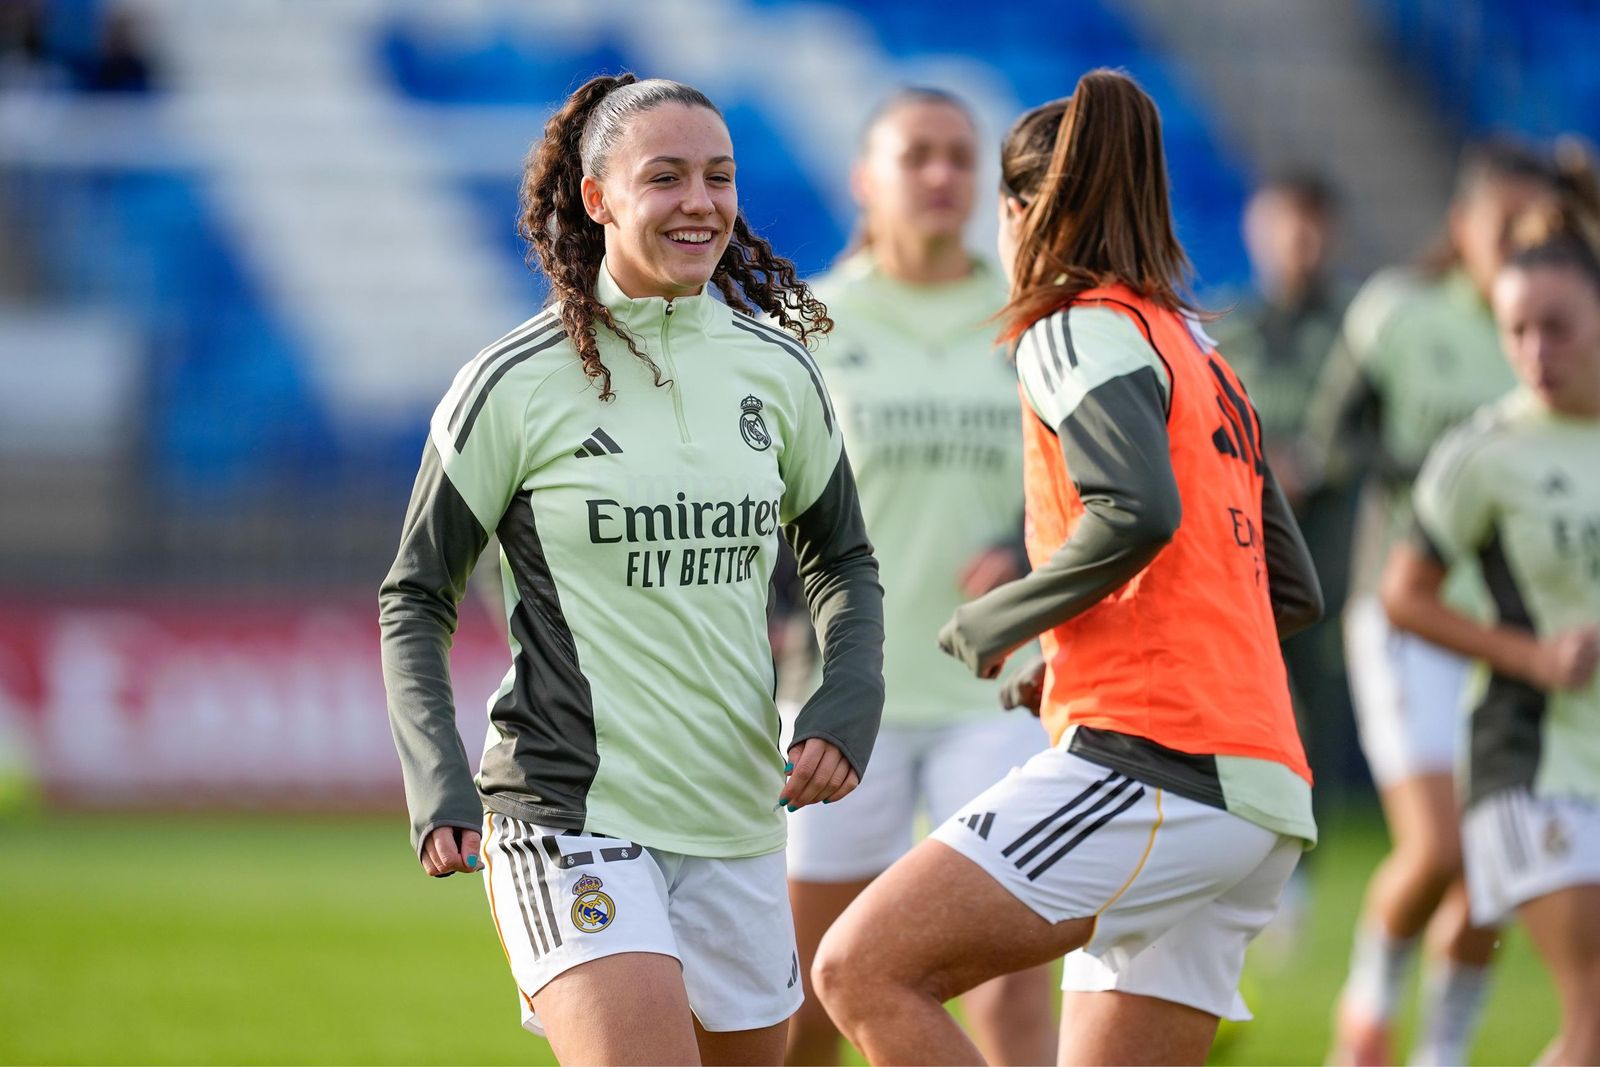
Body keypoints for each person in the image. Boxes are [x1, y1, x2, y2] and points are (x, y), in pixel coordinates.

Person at [810, 69, 1323, 1066]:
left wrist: (1006, 615)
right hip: (1261, 788)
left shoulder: (1062, 325)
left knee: (858, 970)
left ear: (1016, 212)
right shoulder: (1198, 353)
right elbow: (1291, 592)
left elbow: (1138, 509)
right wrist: (1084, 639)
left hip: (1152, 767)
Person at [377, 73, 885, 1067]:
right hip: (567, 810)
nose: (701, 202)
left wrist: (847, 691)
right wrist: (437, 777)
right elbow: (416, 592)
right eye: (667, 177)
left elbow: (842, 558)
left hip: (739, 815)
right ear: (599, 196)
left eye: (719, 176)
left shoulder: (777, 370)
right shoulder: (512, 382)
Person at [780, 88, 1053, 1067]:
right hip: (847, 694)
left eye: (958, 156)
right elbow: (764, 494)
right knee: (814, 994)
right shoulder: (809, 318)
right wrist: (774, 614)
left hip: (1002, 688)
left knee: (1014, 993)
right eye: (916, 156)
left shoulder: (1030, 309)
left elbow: (1087, 481)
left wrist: (1025, 555)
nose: (941, 175)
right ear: (866, 178)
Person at [1319, 140, 1561, 1067]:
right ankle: (1370, 1003)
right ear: (1460, 226)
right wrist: (1452, 478)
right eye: (1504, 223)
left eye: (1540, 225)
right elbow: (1337, 442)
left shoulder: (1560, 325)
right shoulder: (1398, 313)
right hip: (1407, 613)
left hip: (1515, 629)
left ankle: (1442, 1050)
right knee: (1441, 847)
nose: (1519, 242)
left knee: (1493, 866)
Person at [1380, 155, 1600, 1066]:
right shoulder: (1486, 451)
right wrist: (1531, 655)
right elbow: (1403, 595)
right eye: (1517, 331)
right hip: (1532, 756)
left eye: (1558, 327)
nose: (1535, 353)